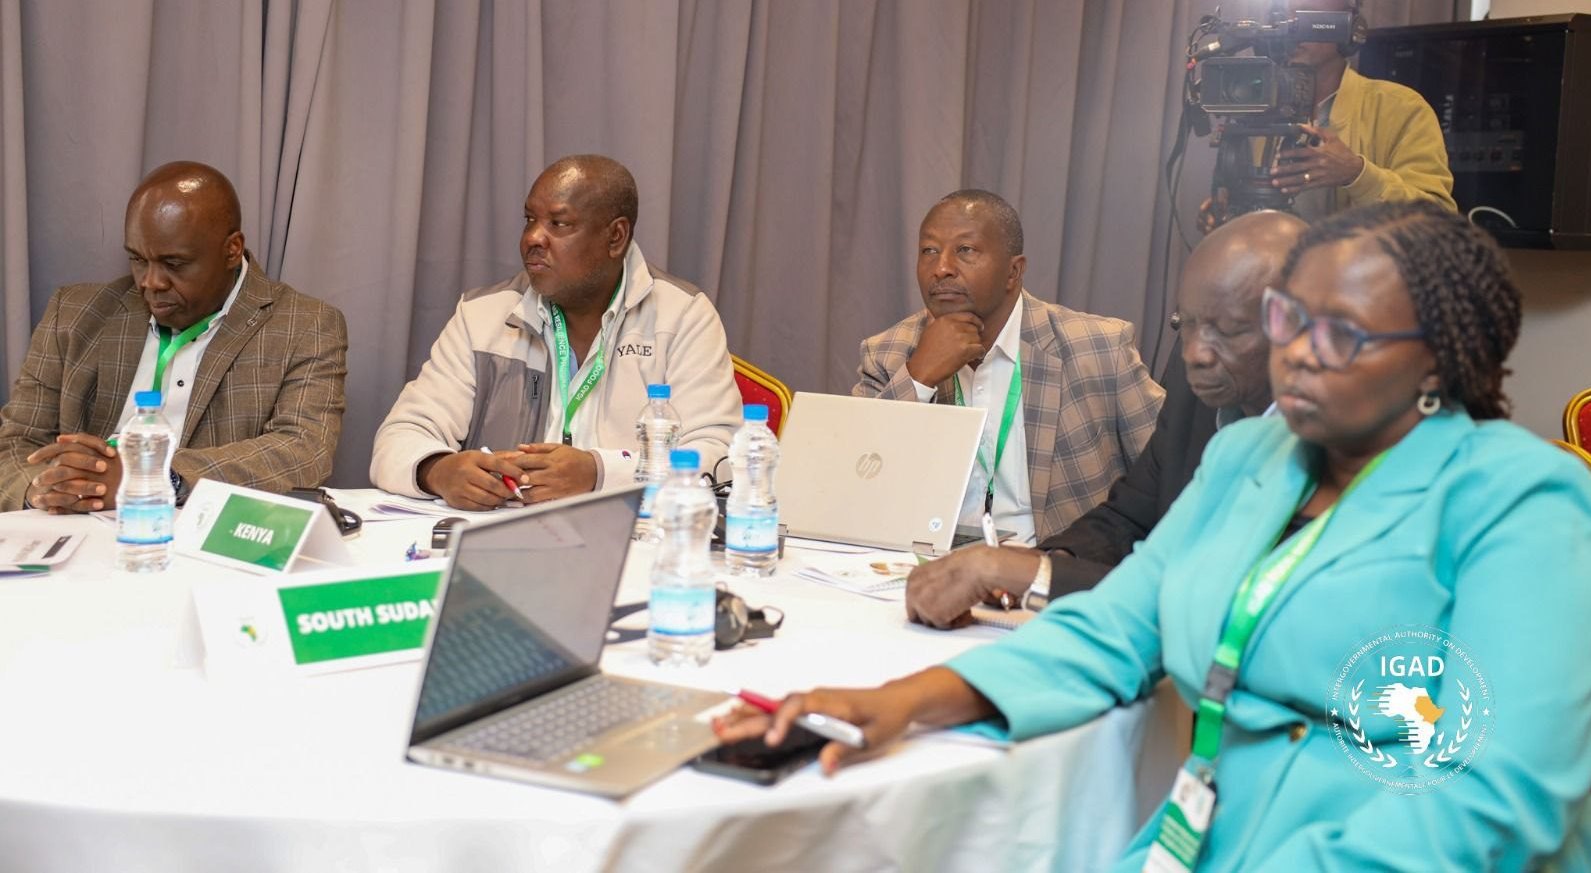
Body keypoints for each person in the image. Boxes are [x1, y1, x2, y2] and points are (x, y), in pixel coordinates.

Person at [719, 201, 1591, 870]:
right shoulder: (1248, 455)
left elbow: (1494, 798)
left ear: (1438, 354)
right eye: (1288, 320)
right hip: (1204, 836)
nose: (1296, 352)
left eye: (1341, 334)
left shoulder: (1521, 502)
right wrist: (902, 700)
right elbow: (1113, 627)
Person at [906, 211, 1307, 628]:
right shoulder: (1200, 391)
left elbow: (1233, 598)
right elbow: (1127, 519)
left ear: (1304, 330)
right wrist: (1039, 562)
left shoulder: (1335, 447)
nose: (1195, 354)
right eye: (1186, 325)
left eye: (1229, 330)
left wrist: (1033, 575)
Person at [370, 155, 740, 511]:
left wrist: (599, 473)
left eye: (559, 224)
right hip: (506, 536)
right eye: (529, 219)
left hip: (632, 536)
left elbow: (721, 457)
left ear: (616, 237)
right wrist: (437, 470)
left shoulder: (682, 316)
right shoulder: (482, 316)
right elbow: (398, 438)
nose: (533, 237)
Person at [0, 161, 348, 513]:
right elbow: (15, 443)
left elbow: (303, 451)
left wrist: (154, 477)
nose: (151, 282)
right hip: (73, 531)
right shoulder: (73, 313)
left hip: (202, 533)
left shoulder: (305, 325)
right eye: (138, 259)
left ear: (232, 249)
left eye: (174, 264)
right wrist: (47, 489)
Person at [853, 190, 1164, 544]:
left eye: (965, 250)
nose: (941, 268)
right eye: (929, 251)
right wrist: (919, 377)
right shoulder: (888, 353)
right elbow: (856, 486)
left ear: (1013, 272)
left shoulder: (1097, 348)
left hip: (1053, 561)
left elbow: (1172, 473)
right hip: (927, 562)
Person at [1204, 0, 1457, 229]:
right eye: (1282, 16)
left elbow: (1438, 222)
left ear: (1350, 27)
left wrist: (1357, 174)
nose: (1291, 28)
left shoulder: (1401, 108)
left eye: (1307, 15)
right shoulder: (1256, 106)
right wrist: (1226, 215)